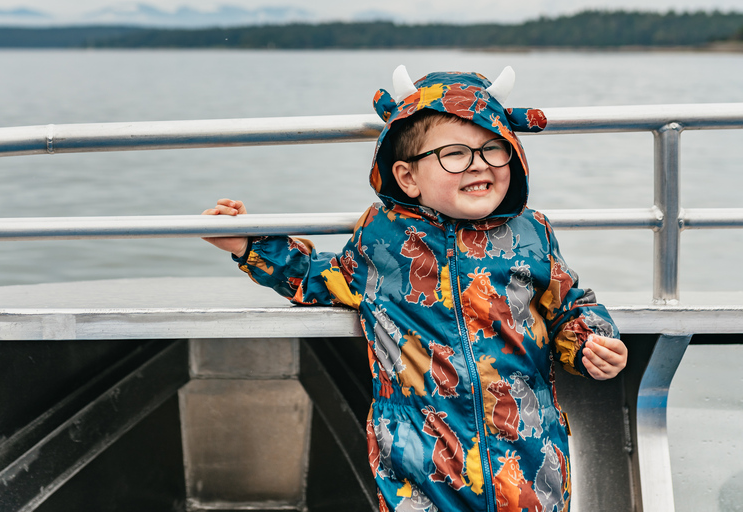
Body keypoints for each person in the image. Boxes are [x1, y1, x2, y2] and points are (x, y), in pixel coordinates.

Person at [202, 65, 628, 512]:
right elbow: (315, 279)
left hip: (528, 454)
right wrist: (249, 242)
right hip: (420, 459)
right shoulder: (381, 239)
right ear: (407, 177)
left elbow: (569, 305)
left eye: (493, 148)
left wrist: (590, 342)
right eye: (454, 154)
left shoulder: (531, 233)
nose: (479, 163)